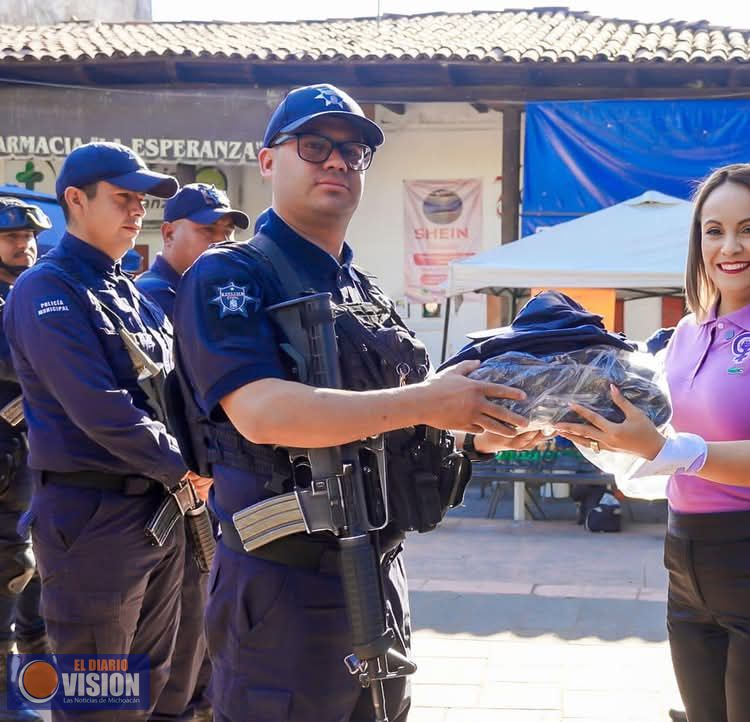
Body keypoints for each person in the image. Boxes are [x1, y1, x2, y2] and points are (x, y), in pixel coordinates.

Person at [171, 83, 539, 722]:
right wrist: (427, 401)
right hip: (282, 588)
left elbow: (390, 426)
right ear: (268, 161)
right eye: (314, 146)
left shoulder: (360, 289)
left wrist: (473, 429)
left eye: (354, 151)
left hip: (375, 574)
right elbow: (262, 413)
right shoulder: (231, 274)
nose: (337, 161)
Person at [556, 164, 750, 721]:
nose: (729, 246)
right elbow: (647, 438)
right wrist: (571, 421)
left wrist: (663, 452)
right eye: (713, 231)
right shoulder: (688, 331)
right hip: (686, 564)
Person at [2, 143, 202, 721]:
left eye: (141, 200)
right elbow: (100, 407)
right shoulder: (46, 290)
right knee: (100, 702)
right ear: (75, 200)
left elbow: (178, 394)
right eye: (122, 198)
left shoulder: (129, 293)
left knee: (152, 688)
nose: (138, 210)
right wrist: (188, 466)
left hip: (158, 513)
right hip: (93, 521)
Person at [134, 184, 247, 722]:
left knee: (207, 622)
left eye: (225, 234)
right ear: (170, 231)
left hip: (212, 483)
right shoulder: (153, 295)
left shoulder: (215, 294)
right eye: (207, 231)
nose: (219, 242)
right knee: (179, 630)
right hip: (174, 487)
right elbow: (162, 400)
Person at [0, 197, 50, 722]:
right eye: (12, 238)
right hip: (5, 467)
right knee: (12, 571)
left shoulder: (29, 296)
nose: (24, 245)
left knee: (37, 577)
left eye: (29, 236)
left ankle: (38, 690)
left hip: (37, 466)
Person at [138, 182, 249, 317]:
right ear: (169, 234)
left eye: (229, 230)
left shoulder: (212, 288)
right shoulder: (153, 294)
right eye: (208, 229)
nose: (223, 240)